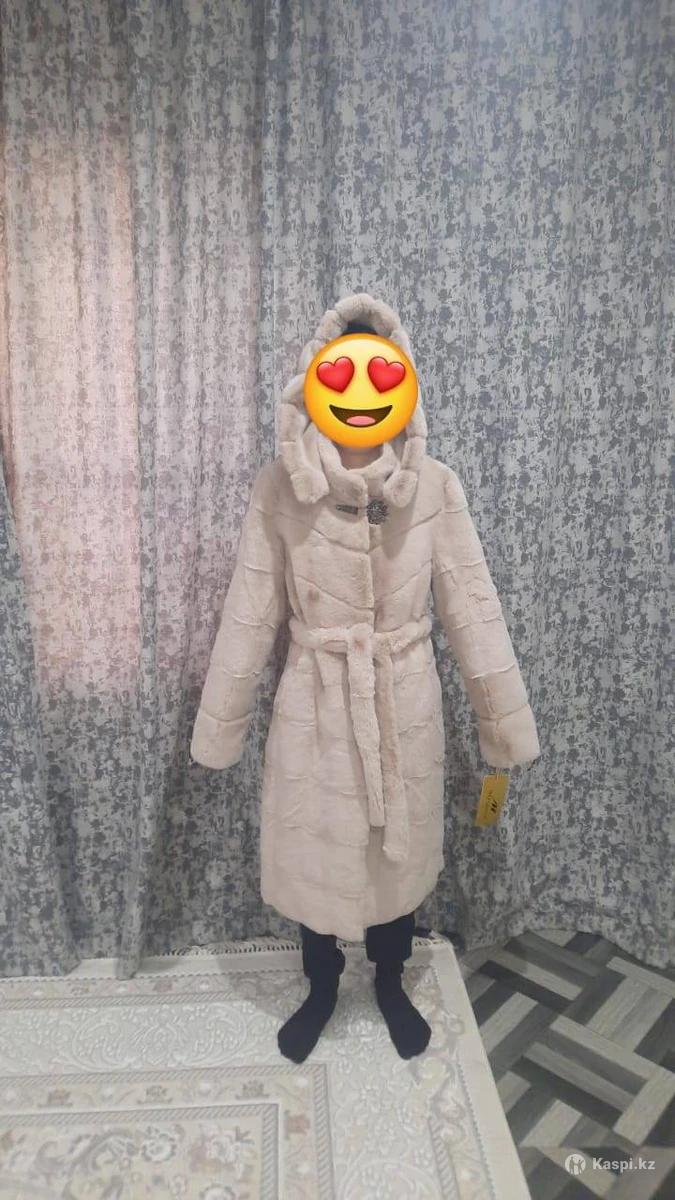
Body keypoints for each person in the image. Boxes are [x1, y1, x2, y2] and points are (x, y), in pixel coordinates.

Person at [190, 293, 541, 1062]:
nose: (357, 394)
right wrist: (222, 724)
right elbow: (250, 607)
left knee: (396, 853)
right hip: (314, 696)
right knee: (312, 845)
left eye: (378, 374)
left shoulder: (433, 487)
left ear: (402, 383)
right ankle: (320, 985)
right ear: (312, 381)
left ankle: (389, 979)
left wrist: (501, 722)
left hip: (400, 694)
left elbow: (471, 605)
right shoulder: (279, 486)